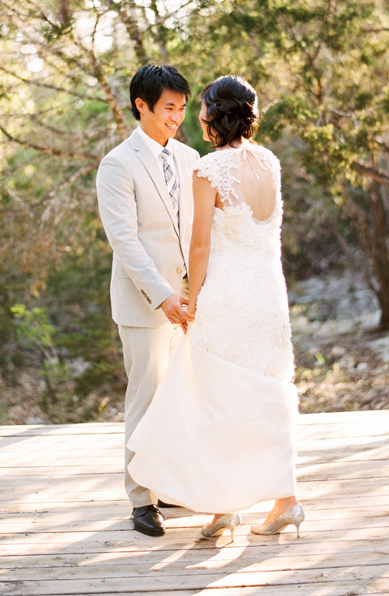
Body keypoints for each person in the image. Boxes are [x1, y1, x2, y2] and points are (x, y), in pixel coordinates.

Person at [128, 74, 303, 540]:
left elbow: (200, 246)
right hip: (268, 292)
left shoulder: (209, 169)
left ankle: (224, 508)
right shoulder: (270, 162)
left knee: (215, 399)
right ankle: (285, 499)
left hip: (226, 295)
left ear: (216, 115)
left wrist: (194, 300)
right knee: (268, 395)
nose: (196, 115)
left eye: (201, 106)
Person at [96, 64, 200, 538]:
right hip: (145, 305)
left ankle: (171, 484)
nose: (176, 117)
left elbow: (197, 233)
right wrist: (163, 298)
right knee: (146, 397)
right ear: (142, 105)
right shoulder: (117, 164)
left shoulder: (188, 156)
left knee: (181, 397)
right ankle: (142, 500)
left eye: (181, 108)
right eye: (168, 108)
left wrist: (194, 293)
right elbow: (126, 241)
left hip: (190, 302)